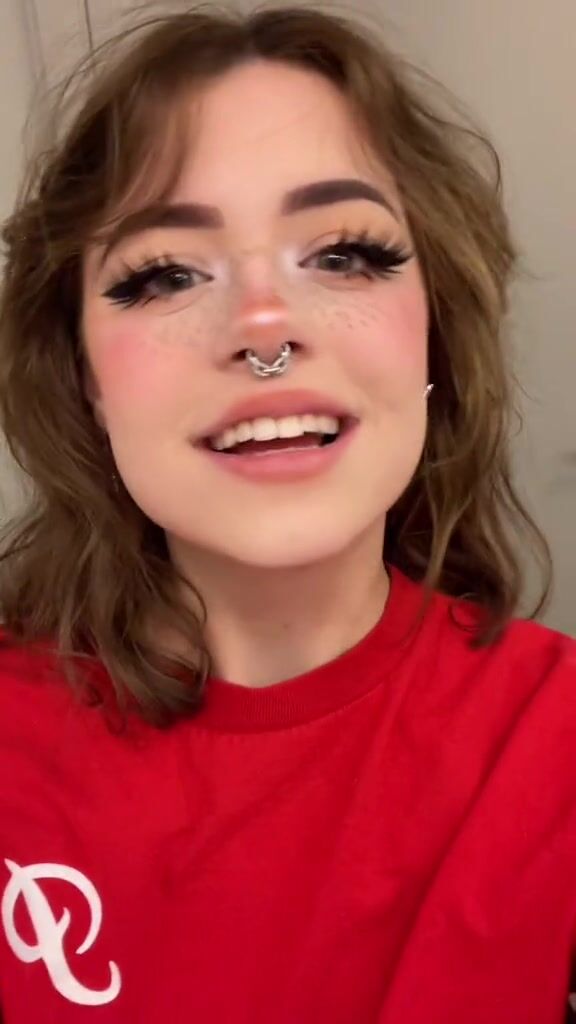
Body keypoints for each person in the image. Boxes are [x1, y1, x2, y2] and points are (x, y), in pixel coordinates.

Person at [0, 4, 574, 1021]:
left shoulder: (552, 744)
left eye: (345, 254)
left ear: (433, 333)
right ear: (84, 377)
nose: (265, 331)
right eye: (166, 274)